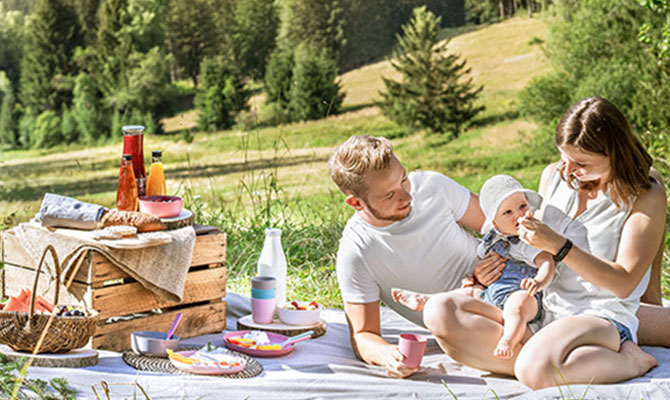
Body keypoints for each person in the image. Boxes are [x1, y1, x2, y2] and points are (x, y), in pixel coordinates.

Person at [421, 96, 664, 389]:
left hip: (600, 313)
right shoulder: (554, 175)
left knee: (533, 369)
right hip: (543, 305)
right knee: (440, 311)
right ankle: (557, 360)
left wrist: (561, 247)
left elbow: (624, 282)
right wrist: (486, 274)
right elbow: (533, 251)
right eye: (564, 157)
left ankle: (630, 360)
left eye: (581, 163)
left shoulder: (644, 192)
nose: (569, 169)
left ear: (615, 153)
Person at [329, 135, 498, 378]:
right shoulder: (357, 251)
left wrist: (489, 267)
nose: (407, 196)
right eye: (389, 195)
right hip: (466, 325)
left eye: (404, 179)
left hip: (513, 282)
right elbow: (363, 334)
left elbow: (504, 226)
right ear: (356, 202)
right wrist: (387, 355)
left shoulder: (433, 186)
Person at [393, 174, 556, 359]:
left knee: (516, 307)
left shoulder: (527, 239)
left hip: (524, 293)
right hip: (492, 293)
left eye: (522, 207)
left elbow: (546, 261)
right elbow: (478, 267)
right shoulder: (490, 242)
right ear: (494, 223)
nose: (518, 215)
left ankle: (509, 340)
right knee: (468, 293)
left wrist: (539, 281)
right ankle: (428, 300)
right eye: (507, 212)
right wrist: (471, 280)